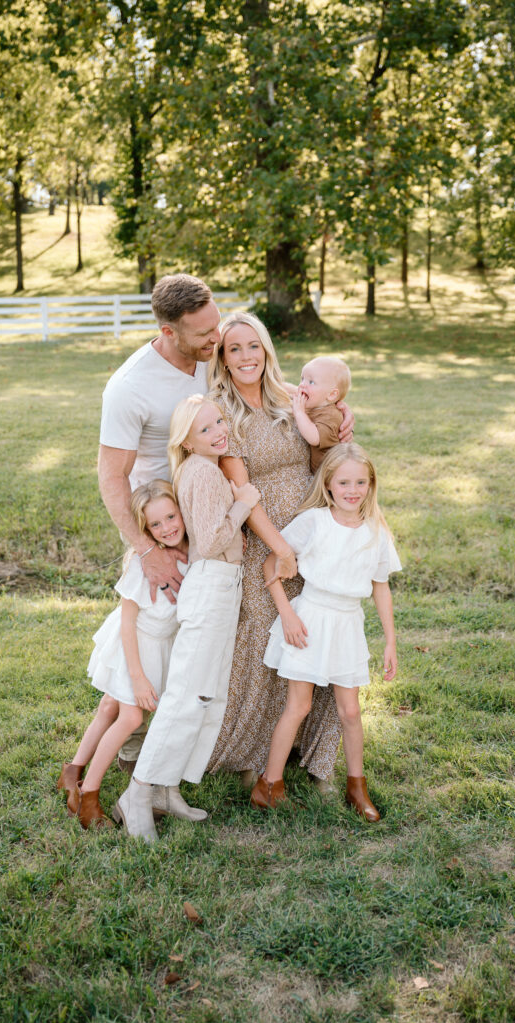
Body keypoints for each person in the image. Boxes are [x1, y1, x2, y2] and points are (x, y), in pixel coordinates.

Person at [206, 312, 350, 791]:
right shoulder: (221, 412)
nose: (246, 357)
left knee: (321, 633)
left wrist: (345, 417)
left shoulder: (291, 396)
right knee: (264, 642)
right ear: (223, 360)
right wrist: (280, 547)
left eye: (254, 346)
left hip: (317, 530)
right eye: (234, 349)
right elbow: (240, 490)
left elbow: (333, 411)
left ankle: (315, 753)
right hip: (265, 538)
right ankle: (252, 754)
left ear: (266, 349)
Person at [116, 396, 260, 842]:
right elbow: (213, 538)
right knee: (185, 697)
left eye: (219, 420)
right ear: (187, 441)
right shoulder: (202, 472)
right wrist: (246, 502)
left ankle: (166, 787)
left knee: (205, 696)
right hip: (212, 583)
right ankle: (138, 792)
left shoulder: (206, 469)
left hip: (224, 584)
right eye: (205, 429)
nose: (218, 430)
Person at [97, 274, 221, 770]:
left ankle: (185, 745)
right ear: (169, 332)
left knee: (197, 640)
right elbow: (111, 476)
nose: (216, 338)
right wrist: (148, 551)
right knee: (153, 639)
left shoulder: (211, 357)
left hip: (207, 523)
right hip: (162, 530)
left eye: (217, 325)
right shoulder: (131, 386)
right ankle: (131, 750)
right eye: (203, 333)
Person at [251, 443, 401, 820]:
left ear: (371, 484)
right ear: (329, 485)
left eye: (361, 482)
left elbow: (380, 585)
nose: (353, 490)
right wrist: (286, 614)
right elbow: (271, 565)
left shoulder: (375, 531)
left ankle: (356, 786)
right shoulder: (313, 522)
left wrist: (390, 641)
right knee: (298, 706)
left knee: (350, 711)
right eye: (344, 482)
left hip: (347, 624)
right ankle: (268, 785)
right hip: (310, 620)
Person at [57, 480, 199, 828]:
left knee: (109, 706)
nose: (167, 527)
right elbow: (127, 621)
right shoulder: (142, 563)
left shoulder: (191, 552)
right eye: (156, 524)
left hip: (160, 643)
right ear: (144, 529)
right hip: (134, 643)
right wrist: (137, 675)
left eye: (171, 516)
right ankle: (86, 795)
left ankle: (71, 771)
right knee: (131, 718)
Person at [292, 356, 352, 473]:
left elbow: (314, 438)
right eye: (302, 379)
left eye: (311, 382)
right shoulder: (314, 405)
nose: (302, 385)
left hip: (332, 475)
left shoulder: (332, 416)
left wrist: (299, 413)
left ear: (331, 395)